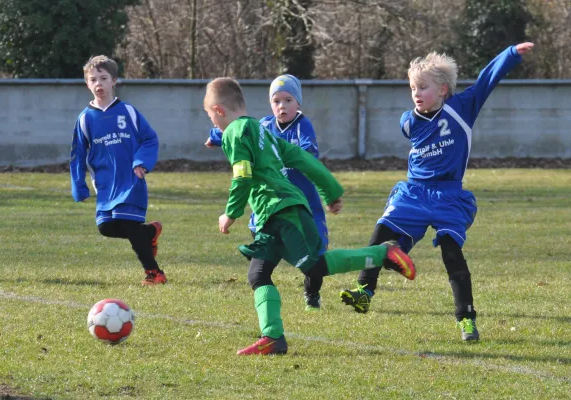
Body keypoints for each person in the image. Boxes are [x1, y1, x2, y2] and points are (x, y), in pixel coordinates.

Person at [203, 77, 416, 355]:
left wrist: (230, 214)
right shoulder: (264, 131)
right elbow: (303, 161)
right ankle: (273, 338)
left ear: (219, 110)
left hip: (283, 212)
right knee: (258, 274)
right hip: (271, 216)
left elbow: (241, 176)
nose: (214, 124)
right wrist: (331, 191)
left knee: (315, 267)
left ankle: (382, 254)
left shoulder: (234, 133)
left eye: (210, 117)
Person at [339, 42, 535, 341]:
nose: (416, 93)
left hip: (449, 196)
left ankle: (466, 319)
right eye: (413, 88)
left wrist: (509, 54)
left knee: (452, 254)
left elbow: (486, 80)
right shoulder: (410, 122)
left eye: (423, 87)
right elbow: (411, 126)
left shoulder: (462, 108)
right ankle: (366, 290)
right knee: (380, 235)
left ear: (443, 90)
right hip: (414, 193)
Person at [205, 74, 328, 311]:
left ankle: (312, 294)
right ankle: (263, 285)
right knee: (264, 246)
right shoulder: (262, 125)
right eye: (277, 101)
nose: (282, 106)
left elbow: (307, 155)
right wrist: (215, 136)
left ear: (298, 103)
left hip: (302, 202)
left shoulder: (303, 126)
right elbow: (236, 131)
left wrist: (274, 157)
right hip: (271, 204)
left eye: (288, 100)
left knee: (315, 253)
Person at [70, 55, 166, 286]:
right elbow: (78, 154)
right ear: (87, 84)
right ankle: (149, 234)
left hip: (131, 179)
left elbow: (150, 139)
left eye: (103, 78)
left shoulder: (128, 112)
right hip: (105, 184)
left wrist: (141, 161)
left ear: (114, 81)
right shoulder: (85, 119)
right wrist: (78, 185)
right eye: (93, 79)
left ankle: (154, 273)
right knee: (106, 227)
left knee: (130, 226)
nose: (98, 84)